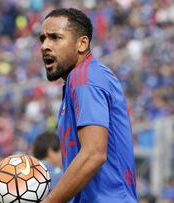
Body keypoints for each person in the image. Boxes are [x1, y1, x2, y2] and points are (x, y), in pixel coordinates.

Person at [39, 8, 138, 203]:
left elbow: (94, 154)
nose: (45, 46)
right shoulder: (79, 81)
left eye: (55, 38)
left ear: (82, 43)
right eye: (42, 39)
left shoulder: (84, 77)